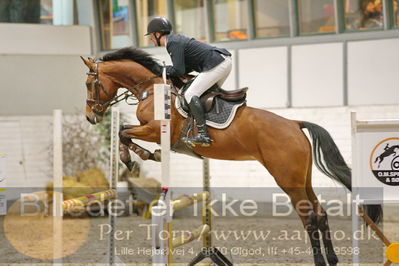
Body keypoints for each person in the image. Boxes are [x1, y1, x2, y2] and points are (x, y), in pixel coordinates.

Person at [145, 17, 232, 147]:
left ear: (158, 34)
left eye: (151, 36)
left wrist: (159, 69)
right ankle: (209, 128)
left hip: (217, 64)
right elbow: (185, 68)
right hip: (221, 62)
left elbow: (178, 70)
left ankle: (203, 134)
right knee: (202, 95)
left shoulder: (172, 43)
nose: (150, 39)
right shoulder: (175, 41)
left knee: (190, 94)